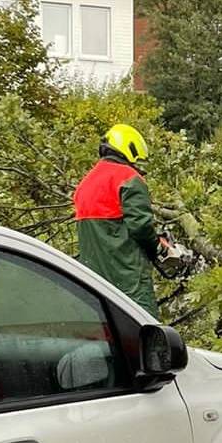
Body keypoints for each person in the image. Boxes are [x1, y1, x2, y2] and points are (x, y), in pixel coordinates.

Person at [73, 123, 159, 317]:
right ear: (129, 148)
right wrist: (158, 248)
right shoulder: (127, 177)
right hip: (129, 279)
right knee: (147, 331)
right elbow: (141, 226)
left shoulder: (85, 183)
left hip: (95, 283)